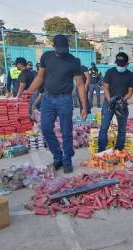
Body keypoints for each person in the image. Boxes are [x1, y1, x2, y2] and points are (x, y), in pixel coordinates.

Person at [27, 34, 88, 174]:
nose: (62, 52)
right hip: (47, 99)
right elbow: (40, 76)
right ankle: (57, 157)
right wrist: (28, 92)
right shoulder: (46, 57)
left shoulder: (74, 61)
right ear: (53, 46)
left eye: (64, 49)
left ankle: (67, 161)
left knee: (66, 131)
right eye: (59, 49)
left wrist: (84, 107)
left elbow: (79, 85)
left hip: (65, 100)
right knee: (46, 128)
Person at [98, 52, 133, 152]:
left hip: (121, 105)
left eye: (122, 65)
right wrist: (110, 101)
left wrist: (122, 100)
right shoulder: (110, 72)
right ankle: (101, 150)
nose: (120, 66)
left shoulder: (130, 75)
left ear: (127, 64)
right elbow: (105, 88)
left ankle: (119, 150)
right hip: (108, 102)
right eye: (118, 64)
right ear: (116, 63)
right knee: (104, 127)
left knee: (122, 129)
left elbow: (130, 91)